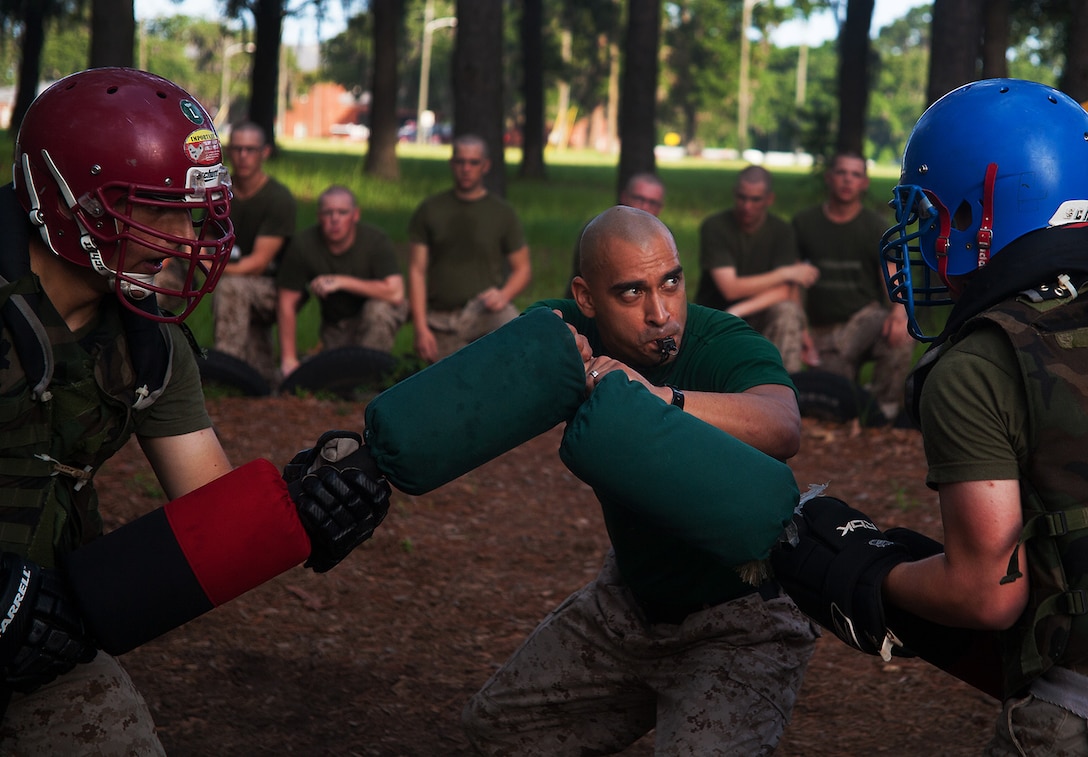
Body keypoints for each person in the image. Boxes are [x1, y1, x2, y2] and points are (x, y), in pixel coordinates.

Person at [0, 68, 388, 755]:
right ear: (71, 205)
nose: (188, 236)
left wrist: (300, 511)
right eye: (158, 208)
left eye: (194, 210)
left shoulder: (147, 341)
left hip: (39, 630)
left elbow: (206, 501)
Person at [775, 78, 1088, 754]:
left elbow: (987, 595)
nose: (918, 236)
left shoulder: (983, 361)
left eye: (927, 215)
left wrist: (868, 569)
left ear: (980, 212)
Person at [462, 206, 818, 755]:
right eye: (631, 293)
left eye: (670, 282)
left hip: (744, 619)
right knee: (497, 731)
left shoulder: (721, 341)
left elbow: (782, 424)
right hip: (630, 605)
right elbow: (522, 346)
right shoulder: (573, 333)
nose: (660, 313)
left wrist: (655, 400)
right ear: (586, 298)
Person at [792, 152, 915, 422]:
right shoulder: (804, 223)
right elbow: (794, 281)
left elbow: (890, 274)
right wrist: (802, 329)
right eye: (841, 173)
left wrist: (898, 313)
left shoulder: (874, 226)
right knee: (833, 403)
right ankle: (859, 399)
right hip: (824, 328)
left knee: (902, 334)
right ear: (829, 178)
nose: (848, 180)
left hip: (866, 320)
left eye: (856, 174)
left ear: (864, 183)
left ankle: (884, 411)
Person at [407, 134, 531, 363]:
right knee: (451, 379)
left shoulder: (502, 213)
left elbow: (522, 268)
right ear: (451, 164)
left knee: (519, 340)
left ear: (485, 166)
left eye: (473, 162)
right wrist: (420, 328)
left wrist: (504, 295)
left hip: (486, 311)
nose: (466, 168)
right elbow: (416, 270)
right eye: (460, 161)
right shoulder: (430, 210)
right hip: (442, 316)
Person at [694, 165, 820, 373]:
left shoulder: (782, 231)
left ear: (769, 199)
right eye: (742, 197)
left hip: (756, 313)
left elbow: (785, 292)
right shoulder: (715, 227)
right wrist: (785, 273)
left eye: (755, 199)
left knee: (788, 312)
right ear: (735, 194)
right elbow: (730, 289)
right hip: (716, 317)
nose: (747, 206)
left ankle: (784, 389)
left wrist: (738, 311)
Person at [276, 185, 408, 378]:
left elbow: (396, 293)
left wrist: (342, 281)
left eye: (342, 212)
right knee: (336, 377)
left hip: (372, 319)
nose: (335, 219)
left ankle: (371, 378)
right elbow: (286, 301)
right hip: (336, 326)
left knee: (379, 311)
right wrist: (288, 359)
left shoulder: (376, 241)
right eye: (328, 213)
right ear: (318, 216)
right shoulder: (303, 245)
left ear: (355, 215)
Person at [213, 121, 297, 384]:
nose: (243, 156)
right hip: (223, 268)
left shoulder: (277, 198)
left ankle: (226, 371)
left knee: (232, 286)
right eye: (237, 149)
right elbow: (204, 240)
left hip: (273, 288)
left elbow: (259, 264)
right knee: (262, 376)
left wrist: (213, 270)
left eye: (251, 149)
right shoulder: (218, 191)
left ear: (265, 152)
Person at [563, 172, 666, 297]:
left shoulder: (663, 237)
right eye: (639, 199)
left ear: (660, 208)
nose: (644, 207)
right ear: (624, 197)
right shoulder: (598, 231)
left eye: (652, 203)